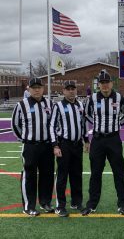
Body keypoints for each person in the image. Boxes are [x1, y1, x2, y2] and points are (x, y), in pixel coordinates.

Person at [81, 70, 124, 216]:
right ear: (98, 85)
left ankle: (122, 204)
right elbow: (86, 115)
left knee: (119, 173)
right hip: (98, 140)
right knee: (95, 173)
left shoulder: (119, 98)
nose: (105, 85)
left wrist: (117, 124)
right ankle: (92, 204)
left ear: (111, 83)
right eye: (102, 83)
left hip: (114, 139)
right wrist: (95, 126)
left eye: (107, 82)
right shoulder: (92, 99)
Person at [11, 78, 54, 216]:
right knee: (29, 176)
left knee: (47, 175)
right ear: (29, 89)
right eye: (34, 87)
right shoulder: (21, 105)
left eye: (39, 87)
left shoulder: (50, 104)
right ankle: (28, 206)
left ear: (43, 88)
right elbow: (15, 125)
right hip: (30, 146)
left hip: (47, 146)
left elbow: (54, 124)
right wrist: (25, 139)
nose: (36, 90)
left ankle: (45, 202)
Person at [49, 80, 90, 217]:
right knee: (62, 176)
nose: (71, 91)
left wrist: (86, 141)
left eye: (73, 88)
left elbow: (83, 124)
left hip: (77, 145)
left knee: (76, 175)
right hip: (64, 144)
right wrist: (55, 145)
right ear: (64, 91)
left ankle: (76, 202)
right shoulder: (58, 106)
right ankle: (60, 206)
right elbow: (52, 126)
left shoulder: (80, 105)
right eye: (68, 89)